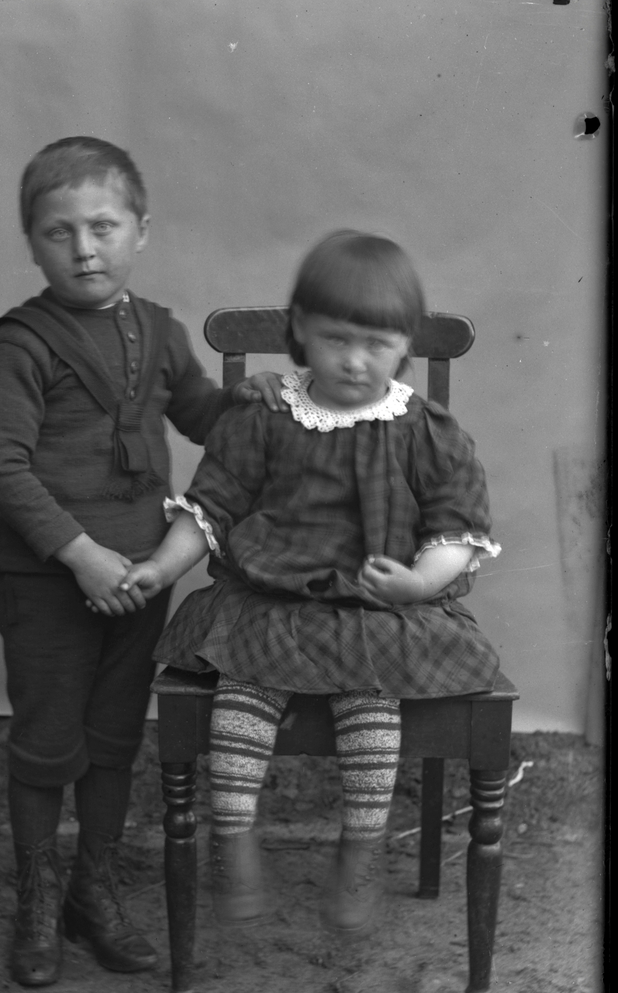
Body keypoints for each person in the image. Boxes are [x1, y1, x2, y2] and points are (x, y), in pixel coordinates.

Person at [119, 230, 502, 937]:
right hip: (272, 602)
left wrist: (418, 583)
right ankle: (234, 839)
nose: (355, 361)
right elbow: (211, 505)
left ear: (407, 344)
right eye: (335, 340)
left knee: (371, 702)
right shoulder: (265, 415)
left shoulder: (425, 430)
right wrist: (161, 567)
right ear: (299, 330)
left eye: (378, 344)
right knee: (243, 688)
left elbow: (457, 528)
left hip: (375, 609)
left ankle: (361, 852)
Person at [0, 136, 286, 988]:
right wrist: (80, 557)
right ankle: (37, 901)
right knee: (47, 742)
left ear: (141, 230)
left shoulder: (159, 331)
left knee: (113, 740)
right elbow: (2, 468)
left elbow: (203, 418)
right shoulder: (20, 344)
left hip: (144, 578)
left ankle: (93, 891)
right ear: (32, 242)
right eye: (59, 232)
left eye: (103, 227)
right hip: (52, 581)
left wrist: (248, 400)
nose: (84, 249)